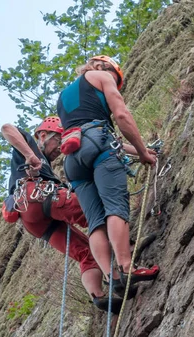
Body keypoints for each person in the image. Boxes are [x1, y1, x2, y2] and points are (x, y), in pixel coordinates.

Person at [0, 116, 133, 314]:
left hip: (33, 220)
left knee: (86, 253)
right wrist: (30, 155)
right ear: (43, 135)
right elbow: (7, 127)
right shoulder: (30, 146)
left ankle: (98, 296)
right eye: (58, 141)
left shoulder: (46, 167)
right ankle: (125, 256)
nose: (59, 148)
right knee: (94, 212)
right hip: (37, 195)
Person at [57, 55, 160, 289]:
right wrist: (144, 154)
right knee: (115, 205)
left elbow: (92, 135)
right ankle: (126, 267)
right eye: (116, 78)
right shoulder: (102, 76)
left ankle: (111, 277)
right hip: (99, 145)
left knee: (95, 222)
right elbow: (121, 116)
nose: (114, 83)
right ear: (105, 67)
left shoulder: (63, 97)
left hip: (73, 159)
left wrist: (142, 151)